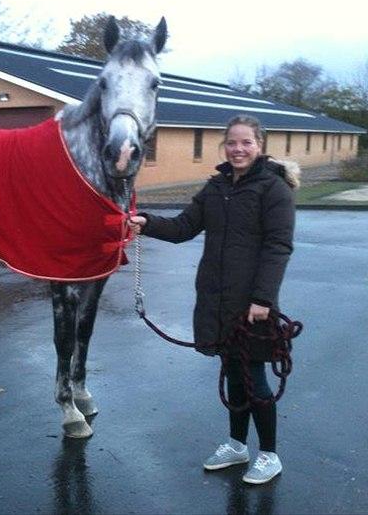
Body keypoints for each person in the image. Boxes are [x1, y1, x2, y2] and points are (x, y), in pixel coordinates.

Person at [128, 114, 299, 485]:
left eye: (246, 143)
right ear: (224, 146)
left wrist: (263, 299)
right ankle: (238, 445)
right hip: (215, 299)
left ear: (260, 145)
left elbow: (278, 247)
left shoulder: (273, 190)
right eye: (232, 143)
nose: (238, 149)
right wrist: (146, 222)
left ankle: (269, 454)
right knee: (233, 374)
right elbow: (183, 227)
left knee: (254, 376)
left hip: (253, 304)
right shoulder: (216, 187)